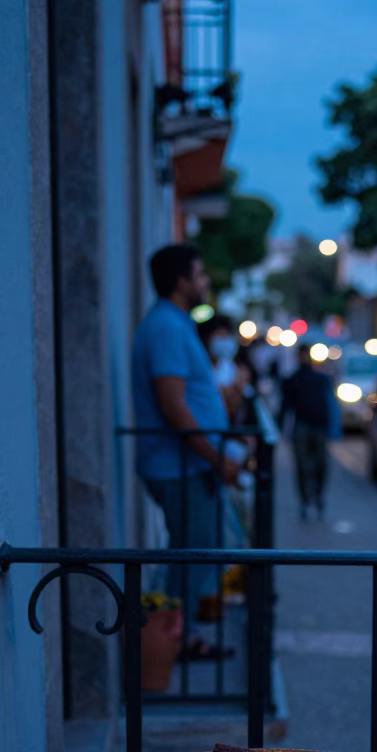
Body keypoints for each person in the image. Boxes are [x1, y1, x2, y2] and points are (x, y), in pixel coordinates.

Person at [131, 243, 238, 659]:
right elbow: (172, 403)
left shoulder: (174, 324)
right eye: (199, 274)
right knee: (193, 553)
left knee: (197, 550)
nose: (205, 282)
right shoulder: (167, 328)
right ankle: (172, 640)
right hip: (180, 466)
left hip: (189, 465)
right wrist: (216, 457)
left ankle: (179, 635)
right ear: (180, 281)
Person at [279, 344, 333, 520]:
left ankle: (316, 497)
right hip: (303, 425)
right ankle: (306, 500)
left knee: (319, 464)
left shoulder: (319, 378)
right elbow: (285, 406)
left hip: (317, 425)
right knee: (303, 465)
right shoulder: (294, 379)